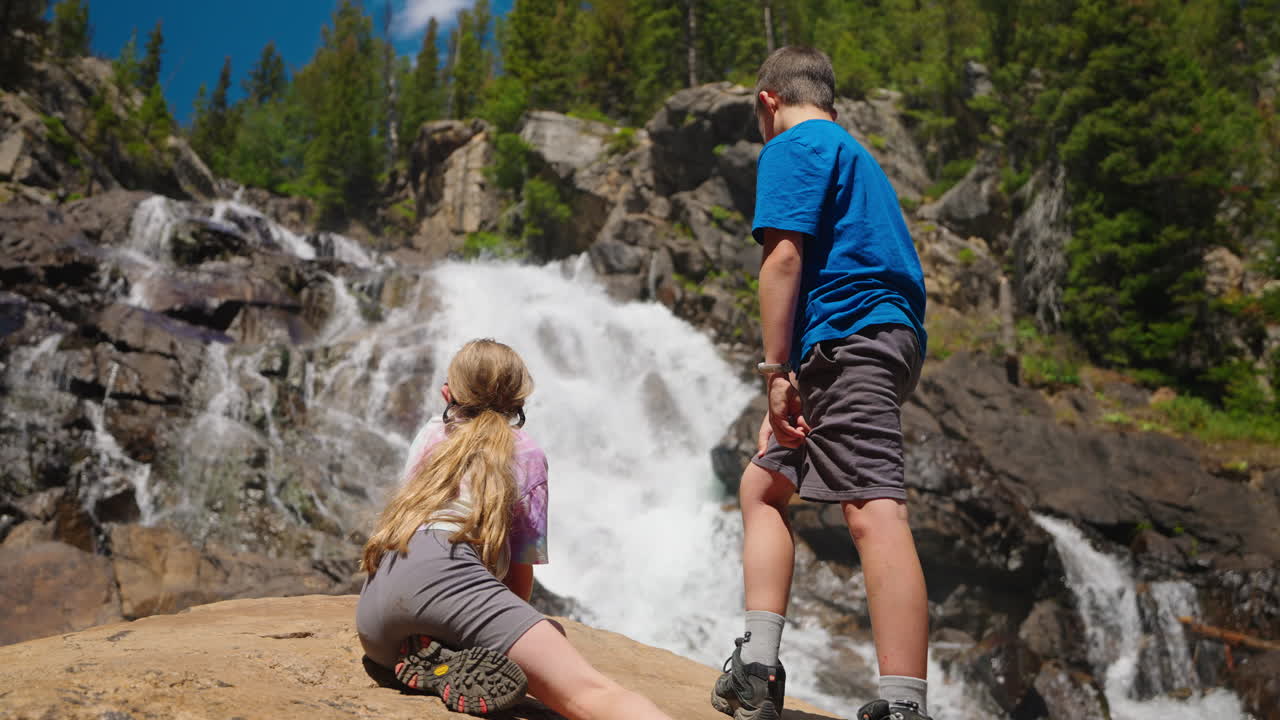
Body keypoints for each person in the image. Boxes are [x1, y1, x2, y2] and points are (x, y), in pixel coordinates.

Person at [710, 47, 932, 720]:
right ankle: (755, 666)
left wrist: (775, 373)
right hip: (851, 341)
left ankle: (902, 706)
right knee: (762, 483)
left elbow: (782, 259)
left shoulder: (795, 143)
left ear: (767, 101)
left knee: (872, 509)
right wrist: (794, 378)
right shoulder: (851, 154)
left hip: (850, 340)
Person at [358, 339, 675, 720]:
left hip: (376, 618)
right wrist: (510, 628)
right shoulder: (525, 452)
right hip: (448, 572)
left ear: (448, 392)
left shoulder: (429, 433)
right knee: (589, 691)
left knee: (474, 628)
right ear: (521, 401)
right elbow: (520, 571)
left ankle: (436, 658)